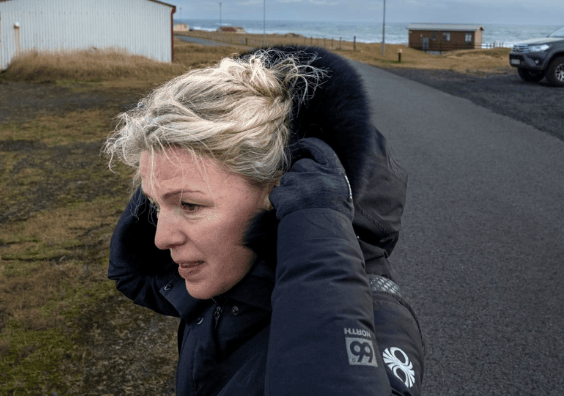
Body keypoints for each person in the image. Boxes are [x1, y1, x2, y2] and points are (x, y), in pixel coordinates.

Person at [105, 46, 424, 395]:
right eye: (155, 206)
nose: (161, 239)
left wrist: (314, 226)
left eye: (190, 205)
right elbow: (138, 276)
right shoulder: (232, 279)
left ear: (279, 191)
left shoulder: (375, 318)